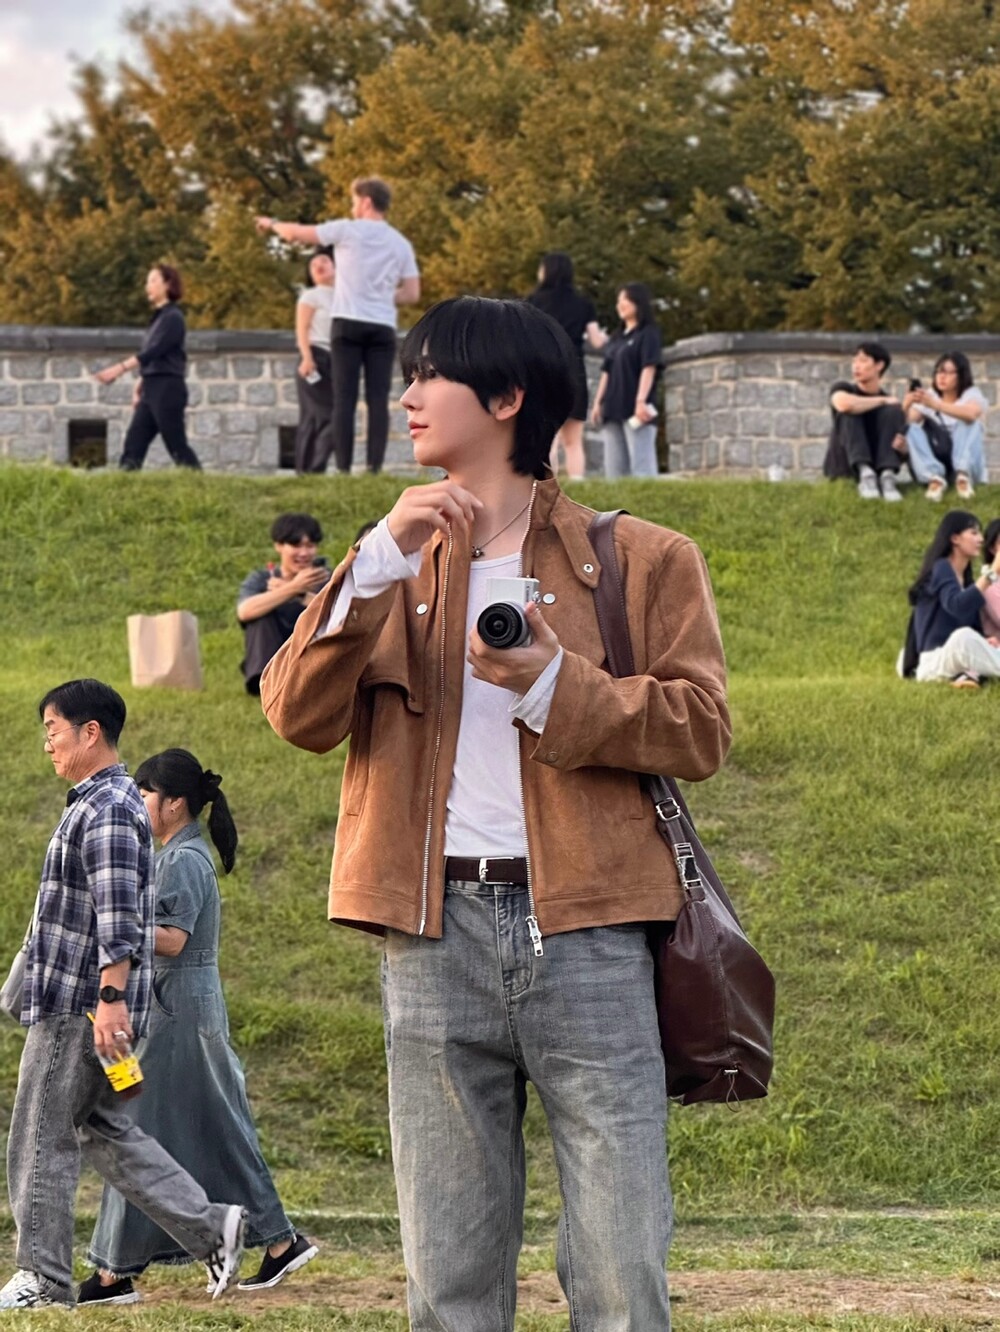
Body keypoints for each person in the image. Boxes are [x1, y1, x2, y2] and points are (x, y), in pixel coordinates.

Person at [260, 295, 730, 1331]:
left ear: (509, 397)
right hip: (431, 934)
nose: (409, 394)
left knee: (621, 1275)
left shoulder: (644, 558)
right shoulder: (390, 565)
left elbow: (701, 730)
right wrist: (372, 562)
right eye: (409, 373)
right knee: (449, 1283)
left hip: (593, 930)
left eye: (432, 373)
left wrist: (554, 682)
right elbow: (294, 713)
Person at [1, 680, 245, 1311]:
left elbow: (116, 914)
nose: (47, 743)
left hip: (82, 1006)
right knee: (105, 1130)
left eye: (53, 729)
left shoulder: (107, 807)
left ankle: (43, 1278)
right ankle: (211, 1228)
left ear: (91, 732)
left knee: (40, 1134)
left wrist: (109, 999)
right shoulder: (102, 802)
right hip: (95, 1006)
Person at [81, 749, 318, 1305]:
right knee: (214, 1132)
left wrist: (113, 923)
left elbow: (173, 940)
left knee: (129, 1126)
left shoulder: (184, 860)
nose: (138, 802)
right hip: (182, 1008)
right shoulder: (176, 855)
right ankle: (279, 1243)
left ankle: (114, 1274)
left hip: (180, 1012)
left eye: (145, 793)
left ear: (175, 803)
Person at [256, 177, 421, 474]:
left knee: (344, 399)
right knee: (377, 400)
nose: (352, 206)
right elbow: (412, 294)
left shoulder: (347, 230)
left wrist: (271, 223)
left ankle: (344, 469)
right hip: (382, 326)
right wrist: (384, 296)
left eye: (354, 201)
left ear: (366, 202)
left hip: (347, 325)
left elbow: (296, 233)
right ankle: (373, 467)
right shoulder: (400, 243)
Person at [95, 264, 201, 472]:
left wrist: (119, 368)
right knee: (134, 443)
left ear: (167, 284)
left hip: (167, 389)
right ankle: (123, 485)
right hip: (151, 389)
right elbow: (152, 356)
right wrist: (140, 384)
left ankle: (199, 484)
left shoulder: (173, 318)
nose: (147, 286)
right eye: (147, 281)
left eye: (153, 281)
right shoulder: (158, 318)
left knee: (177, 445)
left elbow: (154, 351)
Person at [525, 251, 606, 480]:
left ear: (546, 271)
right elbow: (597, 341)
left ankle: (548, 487)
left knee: (547, 440)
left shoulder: (533, 302)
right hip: (574, 371)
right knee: (573, 440)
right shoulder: (583, 304)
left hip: (543, 371)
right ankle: (578, 484)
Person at [901, 510, 1000, 687]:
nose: (980, 539)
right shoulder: (941, 567)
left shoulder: (966, 580)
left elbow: (969, 621)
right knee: (963, 638)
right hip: (934, 661)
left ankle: (966, 678)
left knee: (973, 639)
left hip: (953, 660)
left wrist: (984, 639)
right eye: (974, 533)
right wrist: (993, 572)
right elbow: (957, 606)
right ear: (955, 538)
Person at [237, 512, 331, 695]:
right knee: (260, 614)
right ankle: (265, 681)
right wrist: (292, 588)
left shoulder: (329, 579)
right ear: (278, 545)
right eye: (296, 545)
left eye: (310, 546)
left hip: (314, 654)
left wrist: (302, 595)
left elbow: (338, 617)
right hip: (273, 652)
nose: (304, 553)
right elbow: (245, 611)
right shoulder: (262, 579)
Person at [590, 282, 662, 478]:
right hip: (612, 408)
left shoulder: (648, 334)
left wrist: (641, 401)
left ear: (638, 302)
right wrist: (598, 402)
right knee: (614, 473)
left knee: (642, 468)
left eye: (625, 299)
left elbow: (649, 367)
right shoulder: (616, 338)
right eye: (618, 300)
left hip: (637, 410)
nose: (620, 305)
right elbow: (606, 371)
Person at [902, 352, 988, 502]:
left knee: (968, 422)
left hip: (966, 463)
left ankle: (962, 477)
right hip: (939, 459)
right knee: (912, 429)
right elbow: (906, 423)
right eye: (939, 372)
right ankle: (934, 479)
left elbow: (972, 414)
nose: (942, 377)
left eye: (948, 372)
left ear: (961, 375)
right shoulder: (930, 396)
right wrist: (906, 404)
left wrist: (936, 405)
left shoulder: (971, 394)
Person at [824, 342, 905, 501]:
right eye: (854, 361)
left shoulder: (890, 407)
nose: (856, 366)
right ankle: (864, 472)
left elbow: (901, 449)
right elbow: (844, 404)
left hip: (878, 467)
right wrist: (882, 400)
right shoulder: (843, 388)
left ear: (879, 365)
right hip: (845, 467)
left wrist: (904, 449)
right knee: (849, 412)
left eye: (862, 361)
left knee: (894, 410)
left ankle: (887, 476)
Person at [294, 250, 337, 474]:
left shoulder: (345, 296)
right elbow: (302, 329)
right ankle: (309, 469)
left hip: (337, 360)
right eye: (313, 265)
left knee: (331, 416)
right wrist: (307, 357)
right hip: (315, 357)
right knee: (320, 415)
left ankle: (311, 470)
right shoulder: (311, 296)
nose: (318, 266)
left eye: (324, 261)